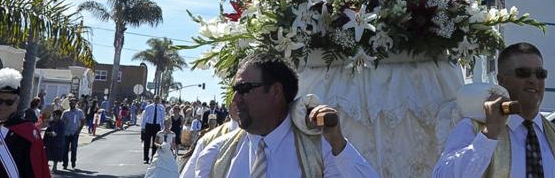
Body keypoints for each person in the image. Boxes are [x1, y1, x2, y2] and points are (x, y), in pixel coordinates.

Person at [188, 54, 379, 177]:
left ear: (276, 92)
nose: (235, 99)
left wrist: (339, 144)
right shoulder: (215, 152)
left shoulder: (321, 151)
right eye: (234, 90)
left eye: (244, 89)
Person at [434, 42, 555, 178]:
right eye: (523, 73)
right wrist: (489, 134)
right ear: (501, 80)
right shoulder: (473, 128)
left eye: (540, 74)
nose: (533, 80)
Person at [141, 97, 167, 164]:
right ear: (153, 99)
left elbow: (162, 118)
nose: (157, 100)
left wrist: (163, 128)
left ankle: (153, 157)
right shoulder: (148, 107)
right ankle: (146, 158)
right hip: (149, 125)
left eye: (158, 99)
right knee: (147, 142)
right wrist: (143, 127)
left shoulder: (161, 108)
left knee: (155, 143)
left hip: (157, 126)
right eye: (156, 99)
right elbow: (144, 117)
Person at [60, 98, 84, 170]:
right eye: (71, 103)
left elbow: (82, 121)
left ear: (76, 104)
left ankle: (73, 162)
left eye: (73, 103)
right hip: (66, 133)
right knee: (65, 149)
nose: (72, 104)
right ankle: (65, 163)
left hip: (74, 133)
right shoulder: (65, 112)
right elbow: (61, 122)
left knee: (74, 148)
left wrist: (79, 130)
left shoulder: (79, 112)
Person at [43, 109, 66, 173]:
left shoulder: (61, 124)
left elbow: (56, 133)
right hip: (50, 141)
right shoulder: (51, 122)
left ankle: (54, 167)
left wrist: (50, 133)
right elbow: (47, 131)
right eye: (53, 115)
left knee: (56, 156)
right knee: (47, 155)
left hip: (58, 142)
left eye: (55, 115)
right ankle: (45, 167)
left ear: (59, 116)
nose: (54, 116)